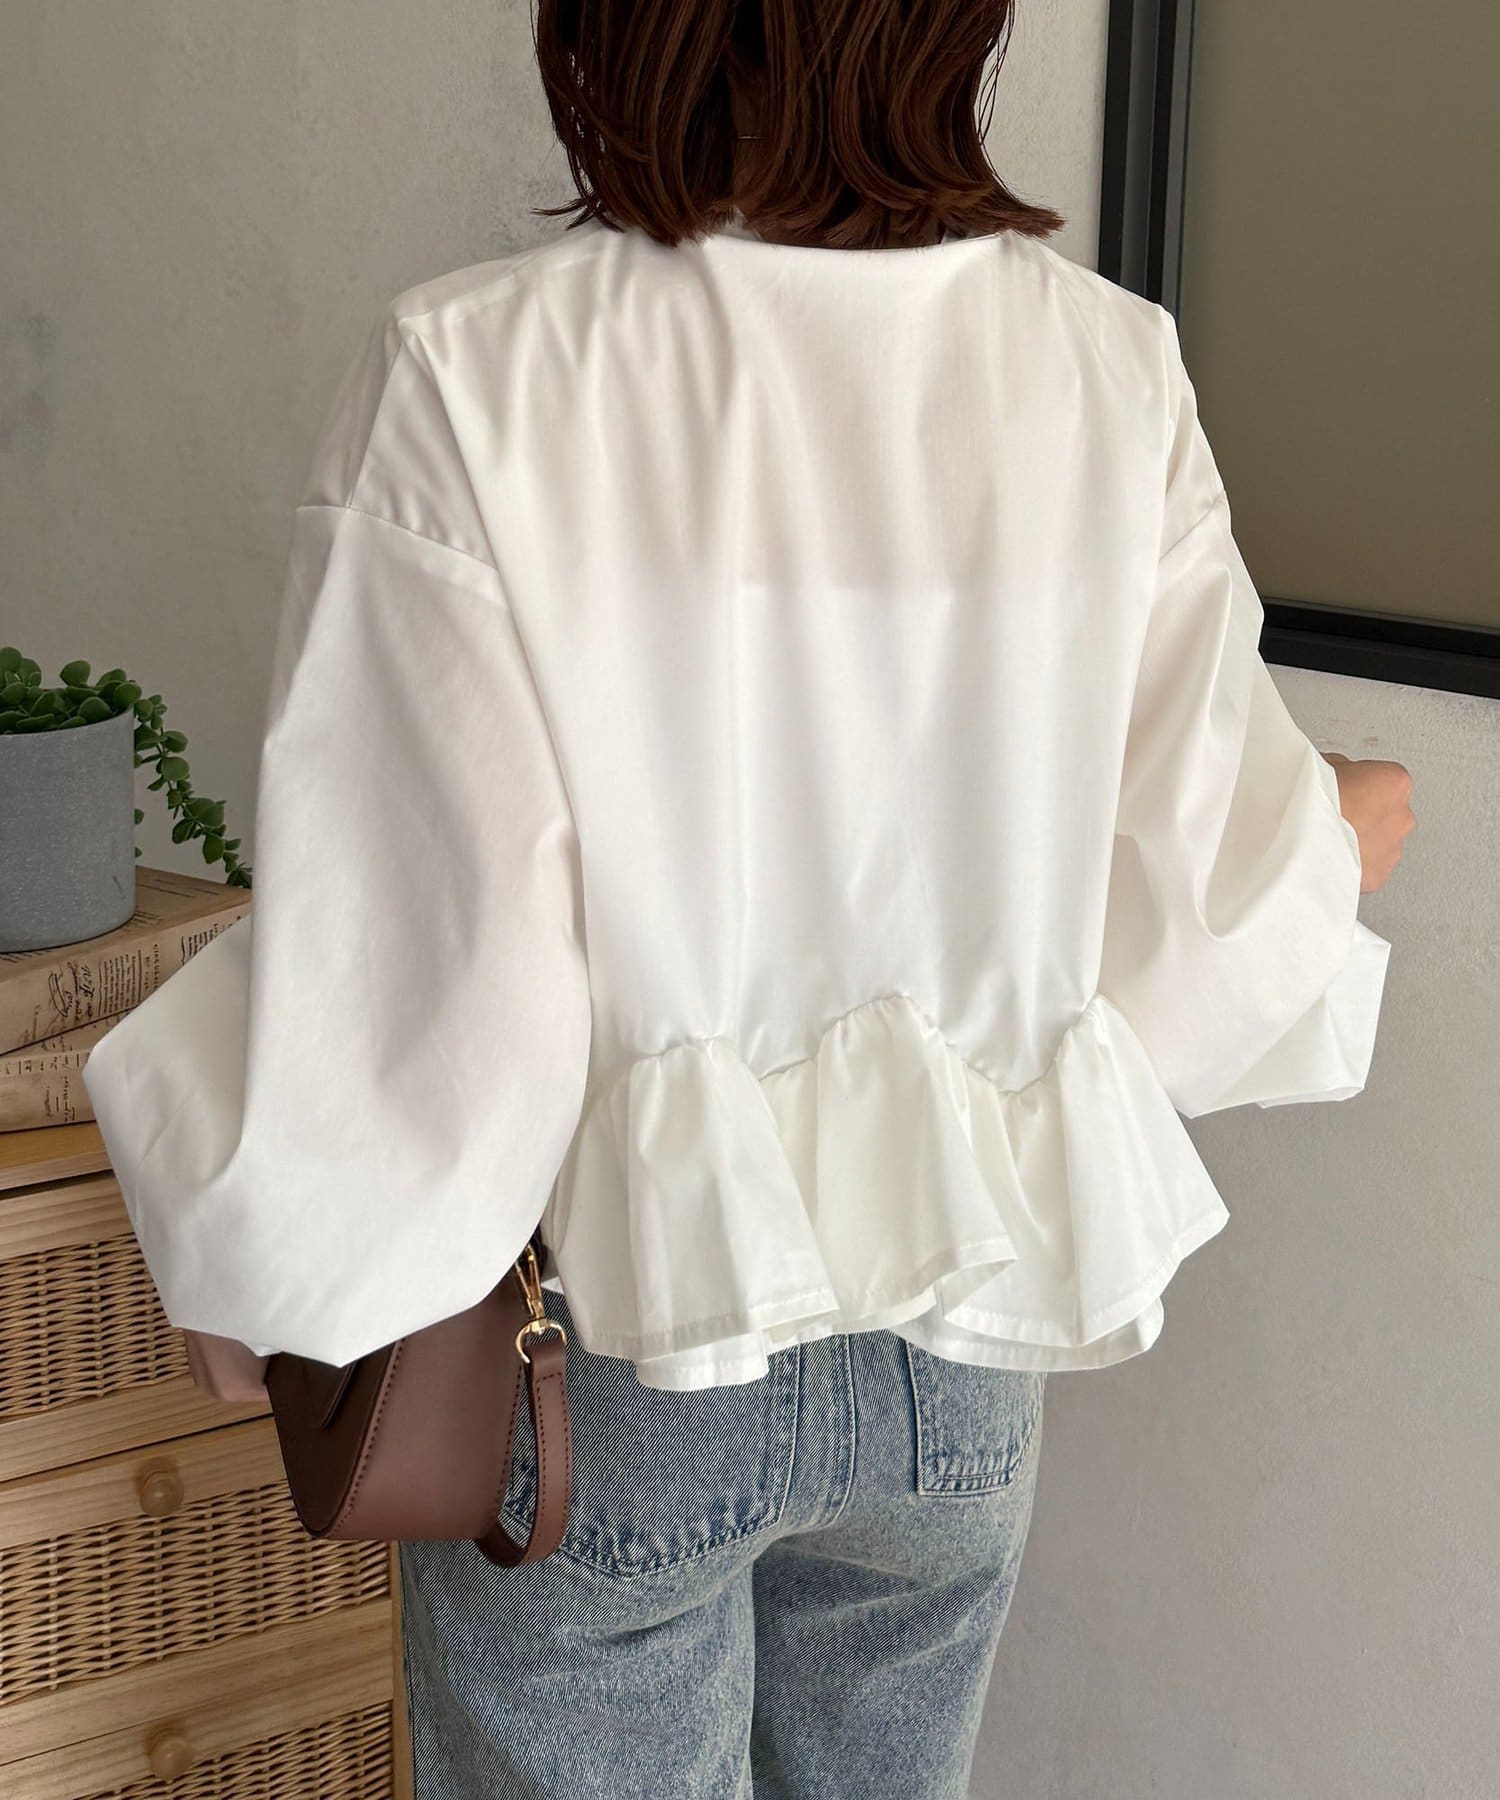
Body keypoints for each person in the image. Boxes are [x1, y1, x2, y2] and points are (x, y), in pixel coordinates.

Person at [82, 1, 1414, 1794]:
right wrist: (1343, 827)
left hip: (625, 1360)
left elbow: (439, 984)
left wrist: (273, 1258)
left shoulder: (479, 373)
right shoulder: (1105, 365)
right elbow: (1198, 934)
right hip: (967, 1351)